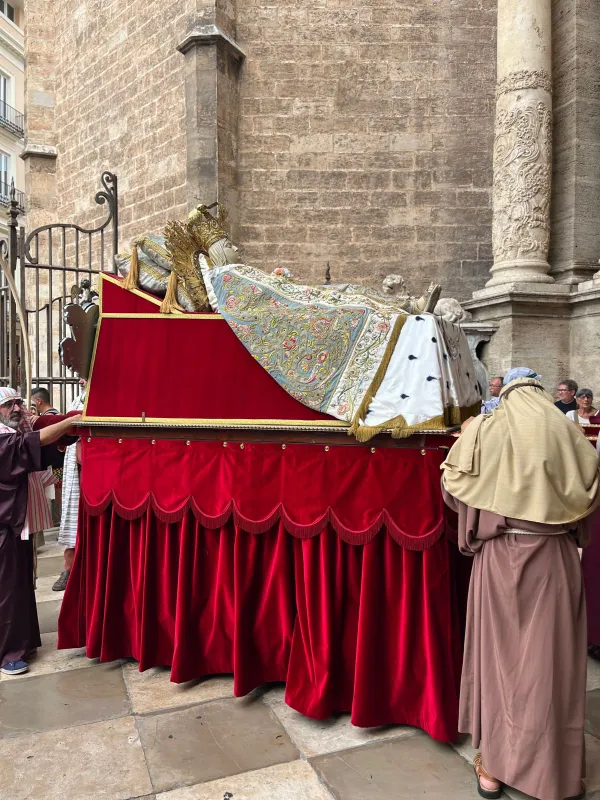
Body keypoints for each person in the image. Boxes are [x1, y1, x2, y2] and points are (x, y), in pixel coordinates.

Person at [441, 367, 599, 800]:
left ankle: (493, 768)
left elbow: (455, 489)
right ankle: (558, 774)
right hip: (556, 560)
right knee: (553, 667)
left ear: (505, 394)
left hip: (500, 558)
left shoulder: (487, 429)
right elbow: (589, 494)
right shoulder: (567, 432)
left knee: (500, 663)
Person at [0, 386, 81, 676]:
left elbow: (42, 449)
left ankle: (23, 642)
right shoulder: (4, 439)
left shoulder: (13, 432)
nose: (17, 409)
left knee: (21, 585)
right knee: (6, 590)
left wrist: (70, 431)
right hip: (5, 525)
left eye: (18, 403)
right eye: (9, 405)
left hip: (16, 524)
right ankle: (8, 653)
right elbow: (27, 447)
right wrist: (70, 422)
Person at [53, 379, 86, 592]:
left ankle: (75, 567)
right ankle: (68, 566)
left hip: (88, 462)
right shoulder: (78, 397)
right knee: (71, 516)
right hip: (73, 463)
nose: (81, 379)